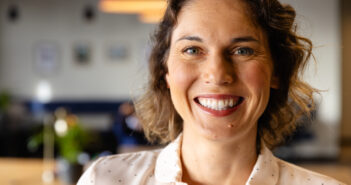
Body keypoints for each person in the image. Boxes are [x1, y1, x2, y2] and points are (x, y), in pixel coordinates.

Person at [78, 0, 345, 184]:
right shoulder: (104, 179)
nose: (217, 75)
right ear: (166, 72)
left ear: (276, 72)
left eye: (243, 50)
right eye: (193, 50)